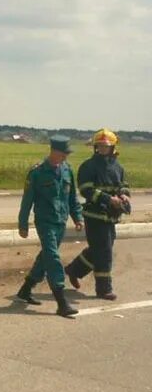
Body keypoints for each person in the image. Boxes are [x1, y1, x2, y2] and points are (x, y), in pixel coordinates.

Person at [16, 135, 84, 317]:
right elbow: (27, 201)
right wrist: (23, 225)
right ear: (54, 151)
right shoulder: (37, 172)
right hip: (45, 222)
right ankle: (61, 302)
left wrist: (77, 218)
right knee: (53, 257)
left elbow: (72, 197)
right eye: (63, 154)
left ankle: (26, 289)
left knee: (46, 255)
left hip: (61, 221)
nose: (65, 157)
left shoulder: (67, 170)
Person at [64, 129, 131, 301]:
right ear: (95, 147)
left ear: (112, 147)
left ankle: (74, 270)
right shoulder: (88, 166)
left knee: (99, 250)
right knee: (105, 252)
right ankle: (104, 289)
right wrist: (109, 199)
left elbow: (124, 185)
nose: (102, 149)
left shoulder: (118, 167)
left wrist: (123, 194)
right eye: (99, 146)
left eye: (106, 146)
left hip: (111, 217)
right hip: (95, 217)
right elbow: (86, 190)